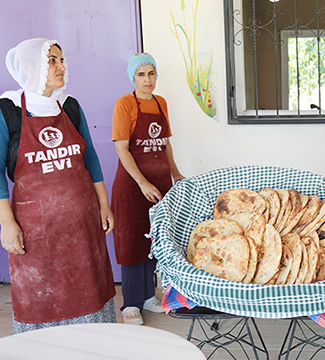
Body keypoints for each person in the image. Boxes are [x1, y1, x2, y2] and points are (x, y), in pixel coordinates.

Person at [0, 38, 116, 333]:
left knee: (89, 290)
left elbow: (89, 158)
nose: (60, 66)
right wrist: (6, 223)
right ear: (29, 66)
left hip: (82, 225)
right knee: (42, 295)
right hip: (36, 233)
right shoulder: (5, 110)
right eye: (52, 60)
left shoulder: (70, 106)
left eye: (61, 60)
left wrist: (104, 204)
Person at [111, 53, 184, 325]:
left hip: (160, 186)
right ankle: (130, 304)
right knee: (131, 243)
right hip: (132, 187)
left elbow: (164, 144)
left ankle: (148, 297)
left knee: (155, 241)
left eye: (151, 73)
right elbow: (121, 148)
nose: (147, 79)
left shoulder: (161, 103)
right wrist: (142, 182)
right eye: (141, 74)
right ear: (133, 77)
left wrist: (175, 174)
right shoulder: (124, 104)